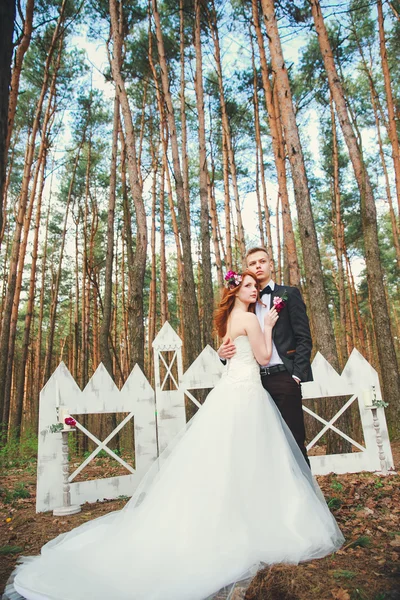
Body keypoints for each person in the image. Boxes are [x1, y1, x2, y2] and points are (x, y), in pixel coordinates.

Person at [12, 271, 343, 600]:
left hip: (230, 391)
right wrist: (268, 327)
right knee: (251, 455)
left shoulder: (231, 318)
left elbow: (232, 351)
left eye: (255, 286)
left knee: (227, 457)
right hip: (247, 394)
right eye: (247, 286)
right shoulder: (253, 321)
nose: (254, 290)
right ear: (236, 291)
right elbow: (260, 356)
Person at [219, 247, 312, 465]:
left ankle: (307, 498)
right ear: (247, 269)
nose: (258, 266)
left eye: (262, 261)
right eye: (252, 263)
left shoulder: (288, 294)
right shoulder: (244, 305)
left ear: (271, 264)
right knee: (262, 447)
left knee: (294, 443)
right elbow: (237, 343)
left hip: (283, 379)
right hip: (254, 383)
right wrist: (222, 354)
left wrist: (296, 376)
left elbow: (304, 338)